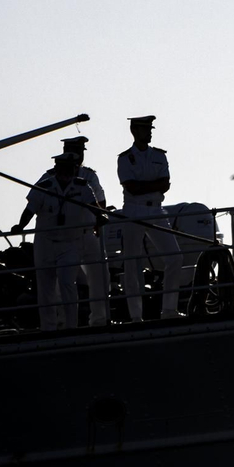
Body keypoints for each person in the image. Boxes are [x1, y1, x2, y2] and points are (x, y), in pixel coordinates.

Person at [12, 148, 100, 330]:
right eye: (63, 168)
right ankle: (48, 328)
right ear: (57, 168)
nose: (67, 172)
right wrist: (20, 226)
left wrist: (100, 220)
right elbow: (30, 210)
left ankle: (71, 326)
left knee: (67, 283)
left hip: (69, 244)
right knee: (46, 288)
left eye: (70, 168)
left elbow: (94, 207)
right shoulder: (44, 187)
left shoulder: (82, 187)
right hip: (45, 243)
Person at [117, 115, 184, 322]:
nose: (150, 132)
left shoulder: (160, 156)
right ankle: (136, 316)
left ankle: (169, 310)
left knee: (175, 257)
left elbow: (165, 184)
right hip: (133, 212)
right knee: (132, 264)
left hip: (156, 210)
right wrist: (151, 186)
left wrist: (144, 187)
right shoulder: (125, 158)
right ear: (134, 131)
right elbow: (131, 187)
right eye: (146, 129)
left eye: (150, 129)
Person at [61, 134, 109, 326]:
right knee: (64, 282)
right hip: (66, 237)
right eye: (75, 151)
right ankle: (65, 323)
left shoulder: (89, 176)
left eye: (80, 152)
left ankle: (99, 319)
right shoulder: (52, 177)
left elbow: (101, 203)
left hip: (89, 233)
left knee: (100, 277)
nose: (78, 155)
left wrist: (99, 223)